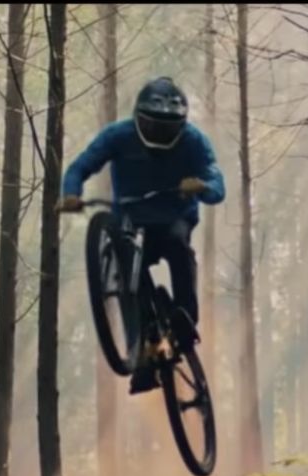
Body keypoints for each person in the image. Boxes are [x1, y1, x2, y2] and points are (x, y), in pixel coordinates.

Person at [56, 76, 225, 394]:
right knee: (128, 274)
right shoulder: (118, 136)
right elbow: (81, 166)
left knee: (178, 246)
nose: (159, 133)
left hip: (174, 217)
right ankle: (144, 350)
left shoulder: (194, 141)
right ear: (138, 117)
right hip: (132, 220)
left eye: (168, 127)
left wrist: (202, 187)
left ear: (181, 124)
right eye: (152, 125)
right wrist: (71, 193)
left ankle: (185, 320)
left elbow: (217, 184)